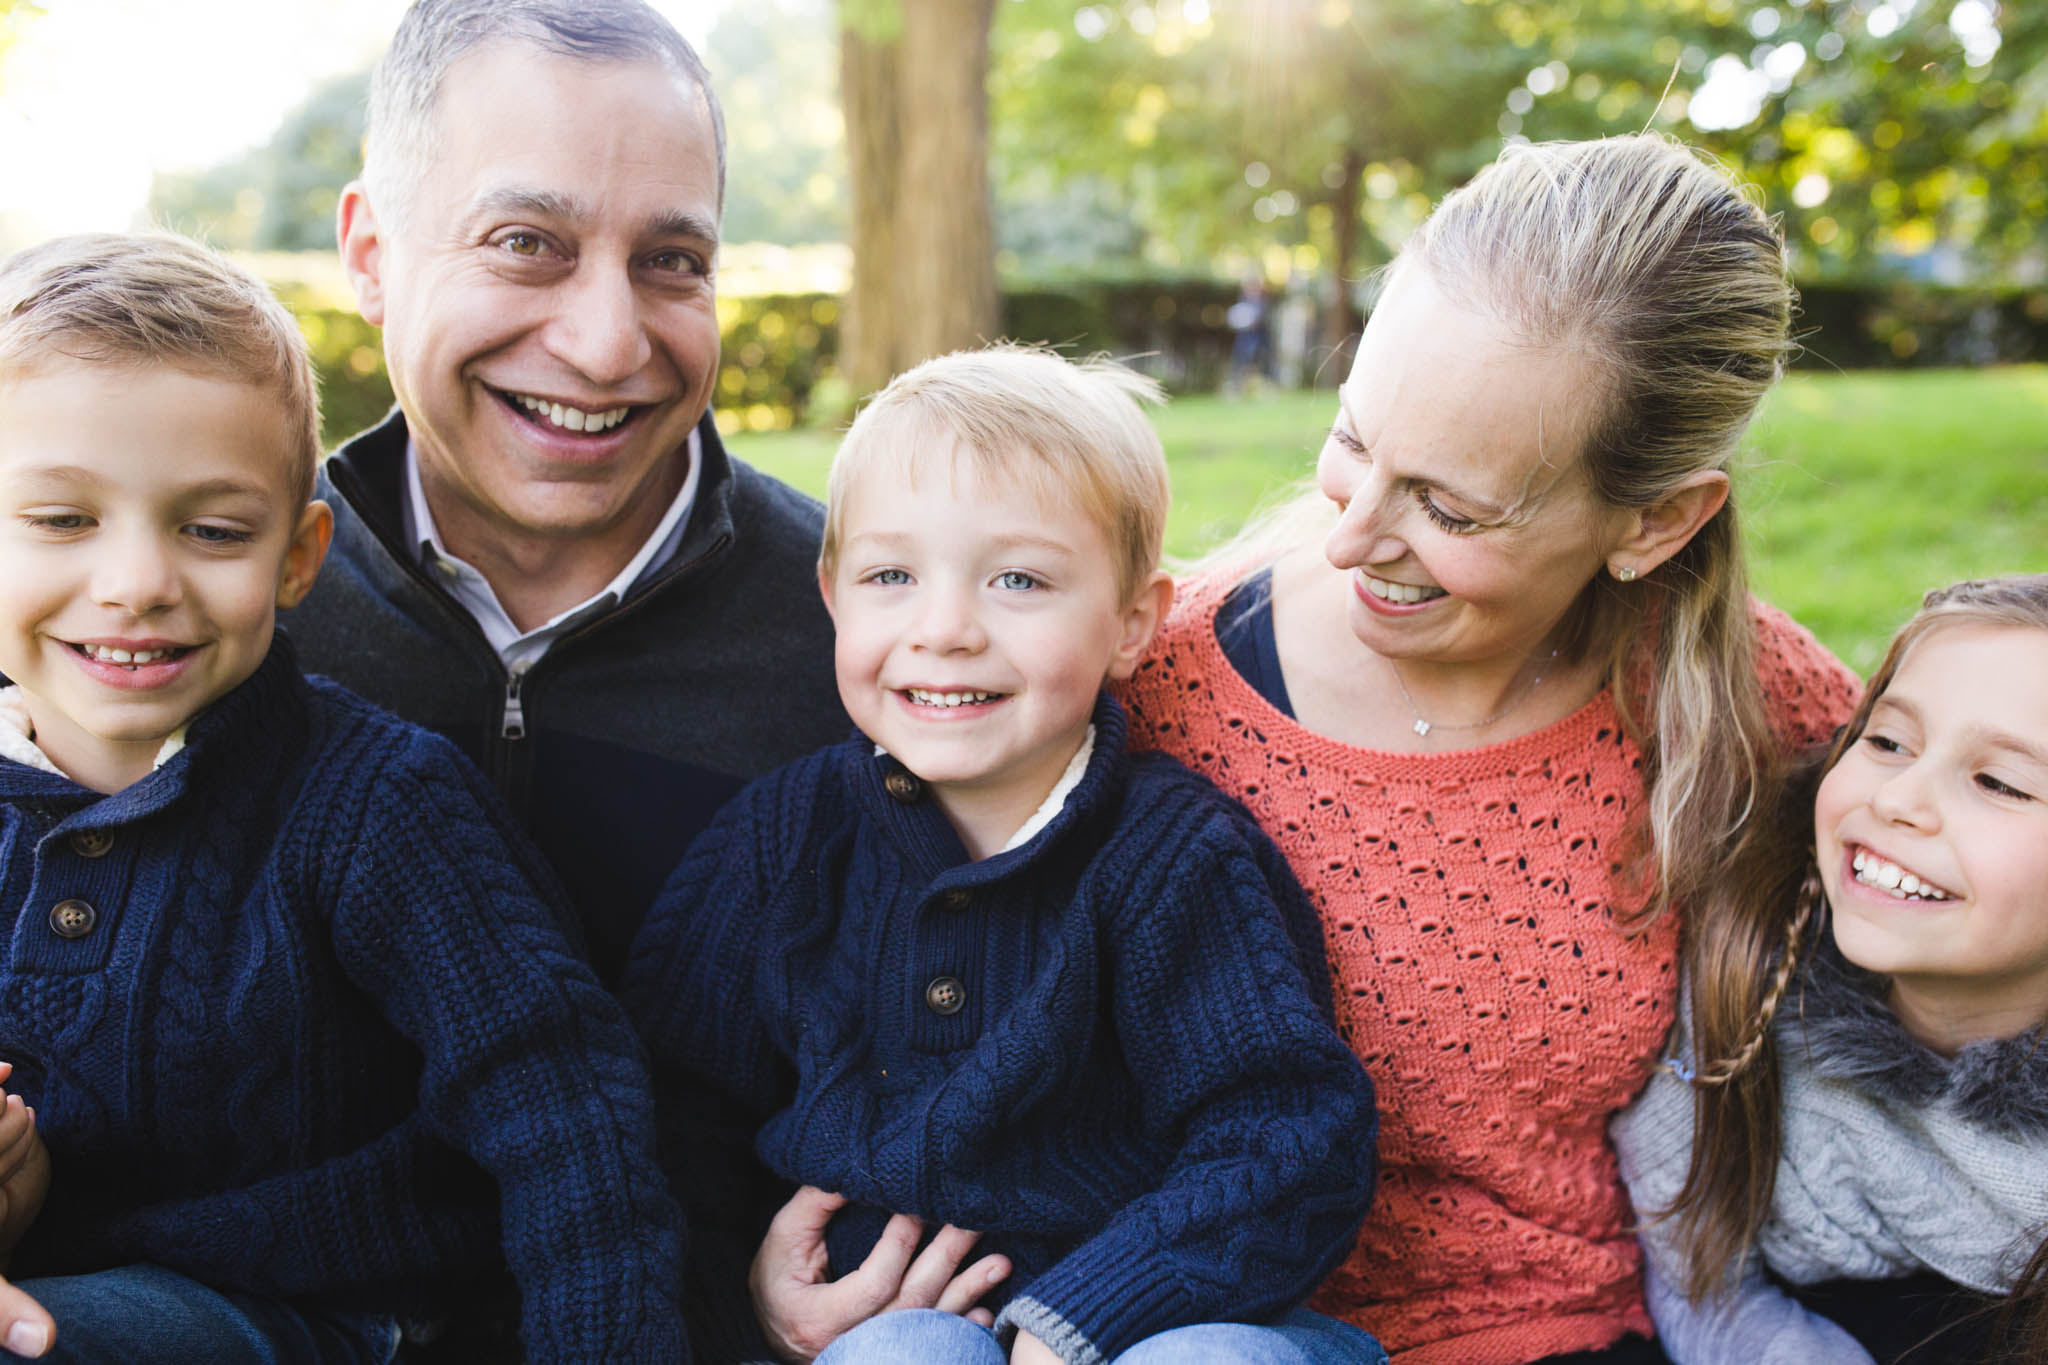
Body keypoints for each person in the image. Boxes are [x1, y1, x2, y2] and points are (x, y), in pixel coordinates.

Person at [1113, 134, 1863, 1363]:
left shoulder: (1744, 709)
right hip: (1179, 1325)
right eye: (1353, 442)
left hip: (1556, 1334)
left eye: (1449, 509)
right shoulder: (1155, 689)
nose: (1348, 537)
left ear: (1656, 521)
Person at [622, 346, 1385, 1365]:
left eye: (1017, 580)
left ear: (1130, 624)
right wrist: (744, 1297)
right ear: (831, 595)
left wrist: (1079, 1322)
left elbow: (1287, 1141)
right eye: (891, 576)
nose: (943, 630)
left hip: (1156, 1320)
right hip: (881, 1326)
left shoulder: (1172, 858)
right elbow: (668, 1116)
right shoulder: (782, 843)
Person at [0, 233, 681, 1363]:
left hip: (312, 1311)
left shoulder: (373, 805)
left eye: (212, 530)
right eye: (64, 521)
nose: (135, 585)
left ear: (298, 555)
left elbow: (567, 1115)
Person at [286, 0, 846, 987]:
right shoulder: (219, 622)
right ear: (371, 256)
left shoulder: (866, 651)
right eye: (525, 242)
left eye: (670, 262)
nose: (606, 344)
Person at [1613, 575, 2048, 1365]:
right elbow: (1697, 1274)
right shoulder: (1744, 969)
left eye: (2001, 782)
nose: (1900, 797)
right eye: (1886, 742)